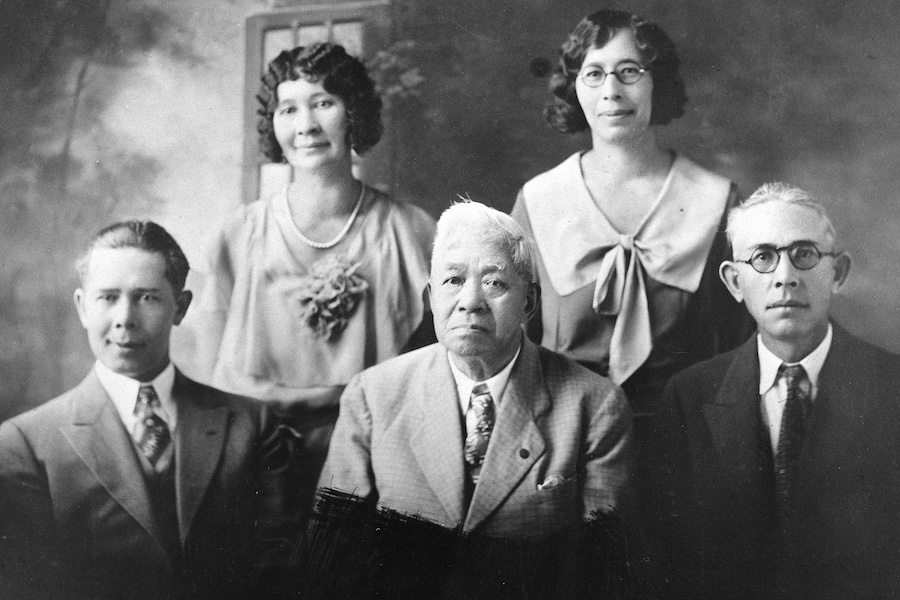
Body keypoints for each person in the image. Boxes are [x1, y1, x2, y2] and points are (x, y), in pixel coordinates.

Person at [194, 42, 436, 516]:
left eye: (323, 103)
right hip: (257, 462)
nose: (305, 126)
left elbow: (437, 373)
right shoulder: (237, 234)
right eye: (288, 109)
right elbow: (208, 383)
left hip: (377, 457)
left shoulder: (411, 231)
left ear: (354, 113)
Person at [0, 221, 289, 600]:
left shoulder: (252, 424)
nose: (125, 318)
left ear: (180, 307)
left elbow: (277, 573)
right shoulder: (24, 443)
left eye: (147, 298)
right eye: (107, 297)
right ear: (82, 307)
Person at [318, 201, 632, 538]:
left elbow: (602, 559)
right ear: (432, 297)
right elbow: (332, 548)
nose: (470, 302)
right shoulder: (372, 396)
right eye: (453, 280)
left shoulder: (596, 406)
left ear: (528, 302)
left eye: (494, 283)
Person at [652, 183, 900, 599]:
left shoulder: (892, 387)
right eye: (763, 257)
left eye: (804, 254)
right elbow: (669, 557)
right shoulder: (689, 396)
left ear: (837, 273)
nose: (785, 278)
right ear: (734, 282)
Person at [510, 9, 751, 437]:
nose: (612, 91)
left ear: (658, 81)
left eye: (629, 72)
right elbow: (513, 344)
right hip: (564, 440)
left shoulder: (717, 200)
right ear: (574, 87)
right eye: (594, 74)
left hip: (687, 441)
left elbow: (741, 350)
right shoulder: (537, 200)